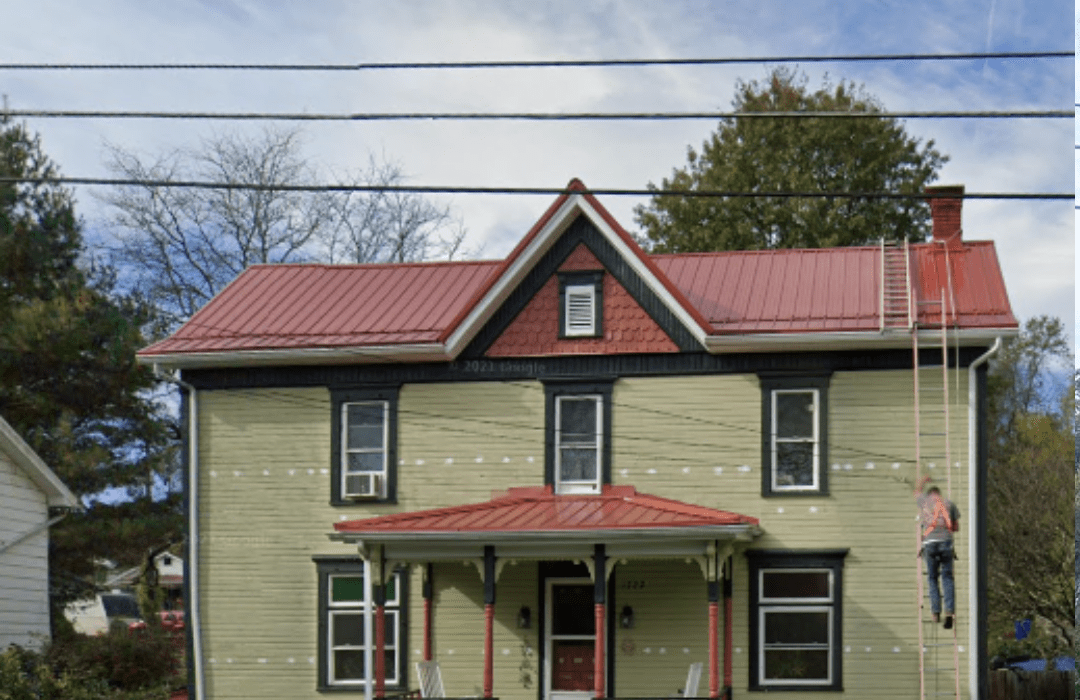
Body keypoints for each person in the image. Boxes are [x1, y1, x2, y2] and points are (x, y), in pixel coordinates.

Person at [915, 476, 960, 629]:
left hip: (930, 544)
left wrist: (923, 480)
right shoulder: (949, 504)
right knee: (947, 577)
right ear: (939, 494)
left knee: (932, 578)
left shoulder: (924, 503)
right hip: (946, 543)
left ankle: (935, 613)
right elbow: (955, 527)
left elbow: (916, 491)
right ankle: (949, 612)